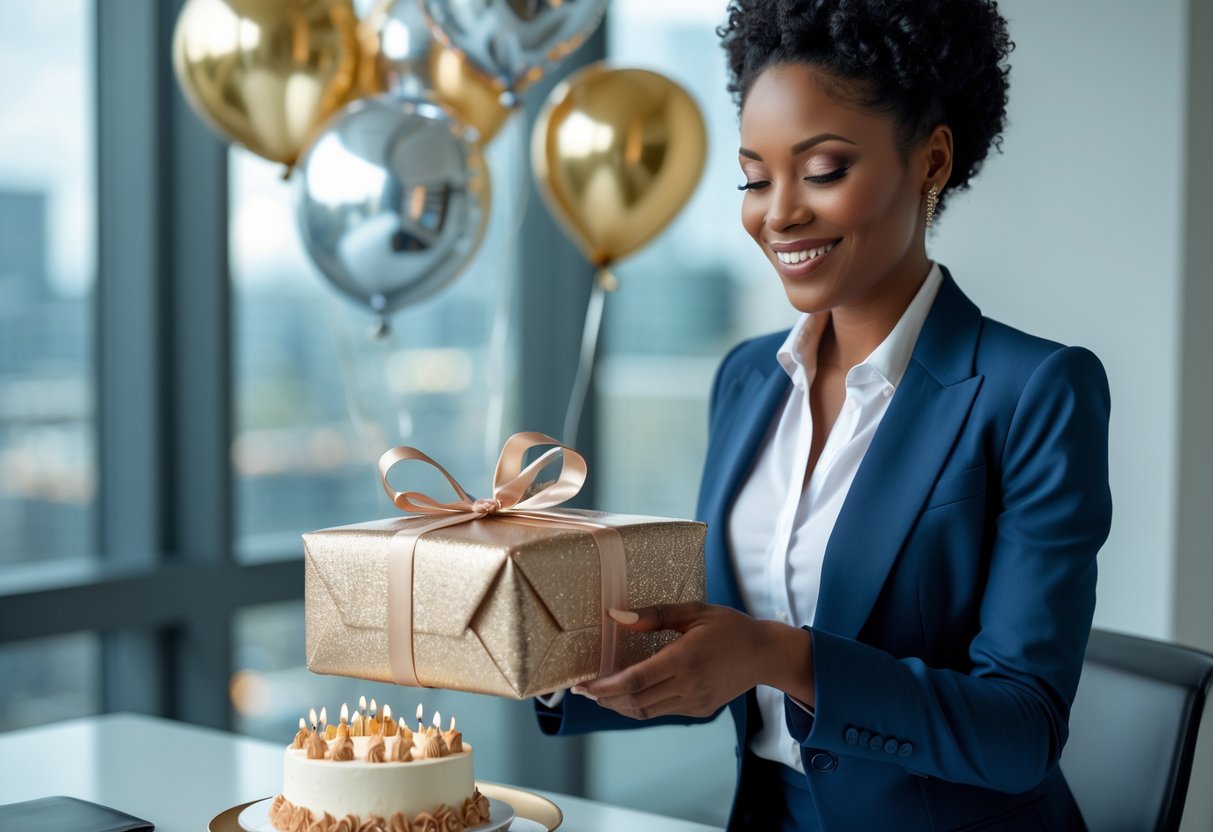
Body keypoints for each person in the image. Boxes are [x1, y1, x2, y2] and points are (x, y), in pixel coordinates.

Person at [535, 1, 1112, 829]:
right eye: (754, 178)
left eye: (823, 169)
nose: (778, 214)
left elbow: (1019, 733)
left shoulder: (1036, 392)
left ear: (931, 161)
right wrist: (544, 655)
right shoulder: (745, 380)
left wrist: (777, 654)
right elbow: (711, 654)